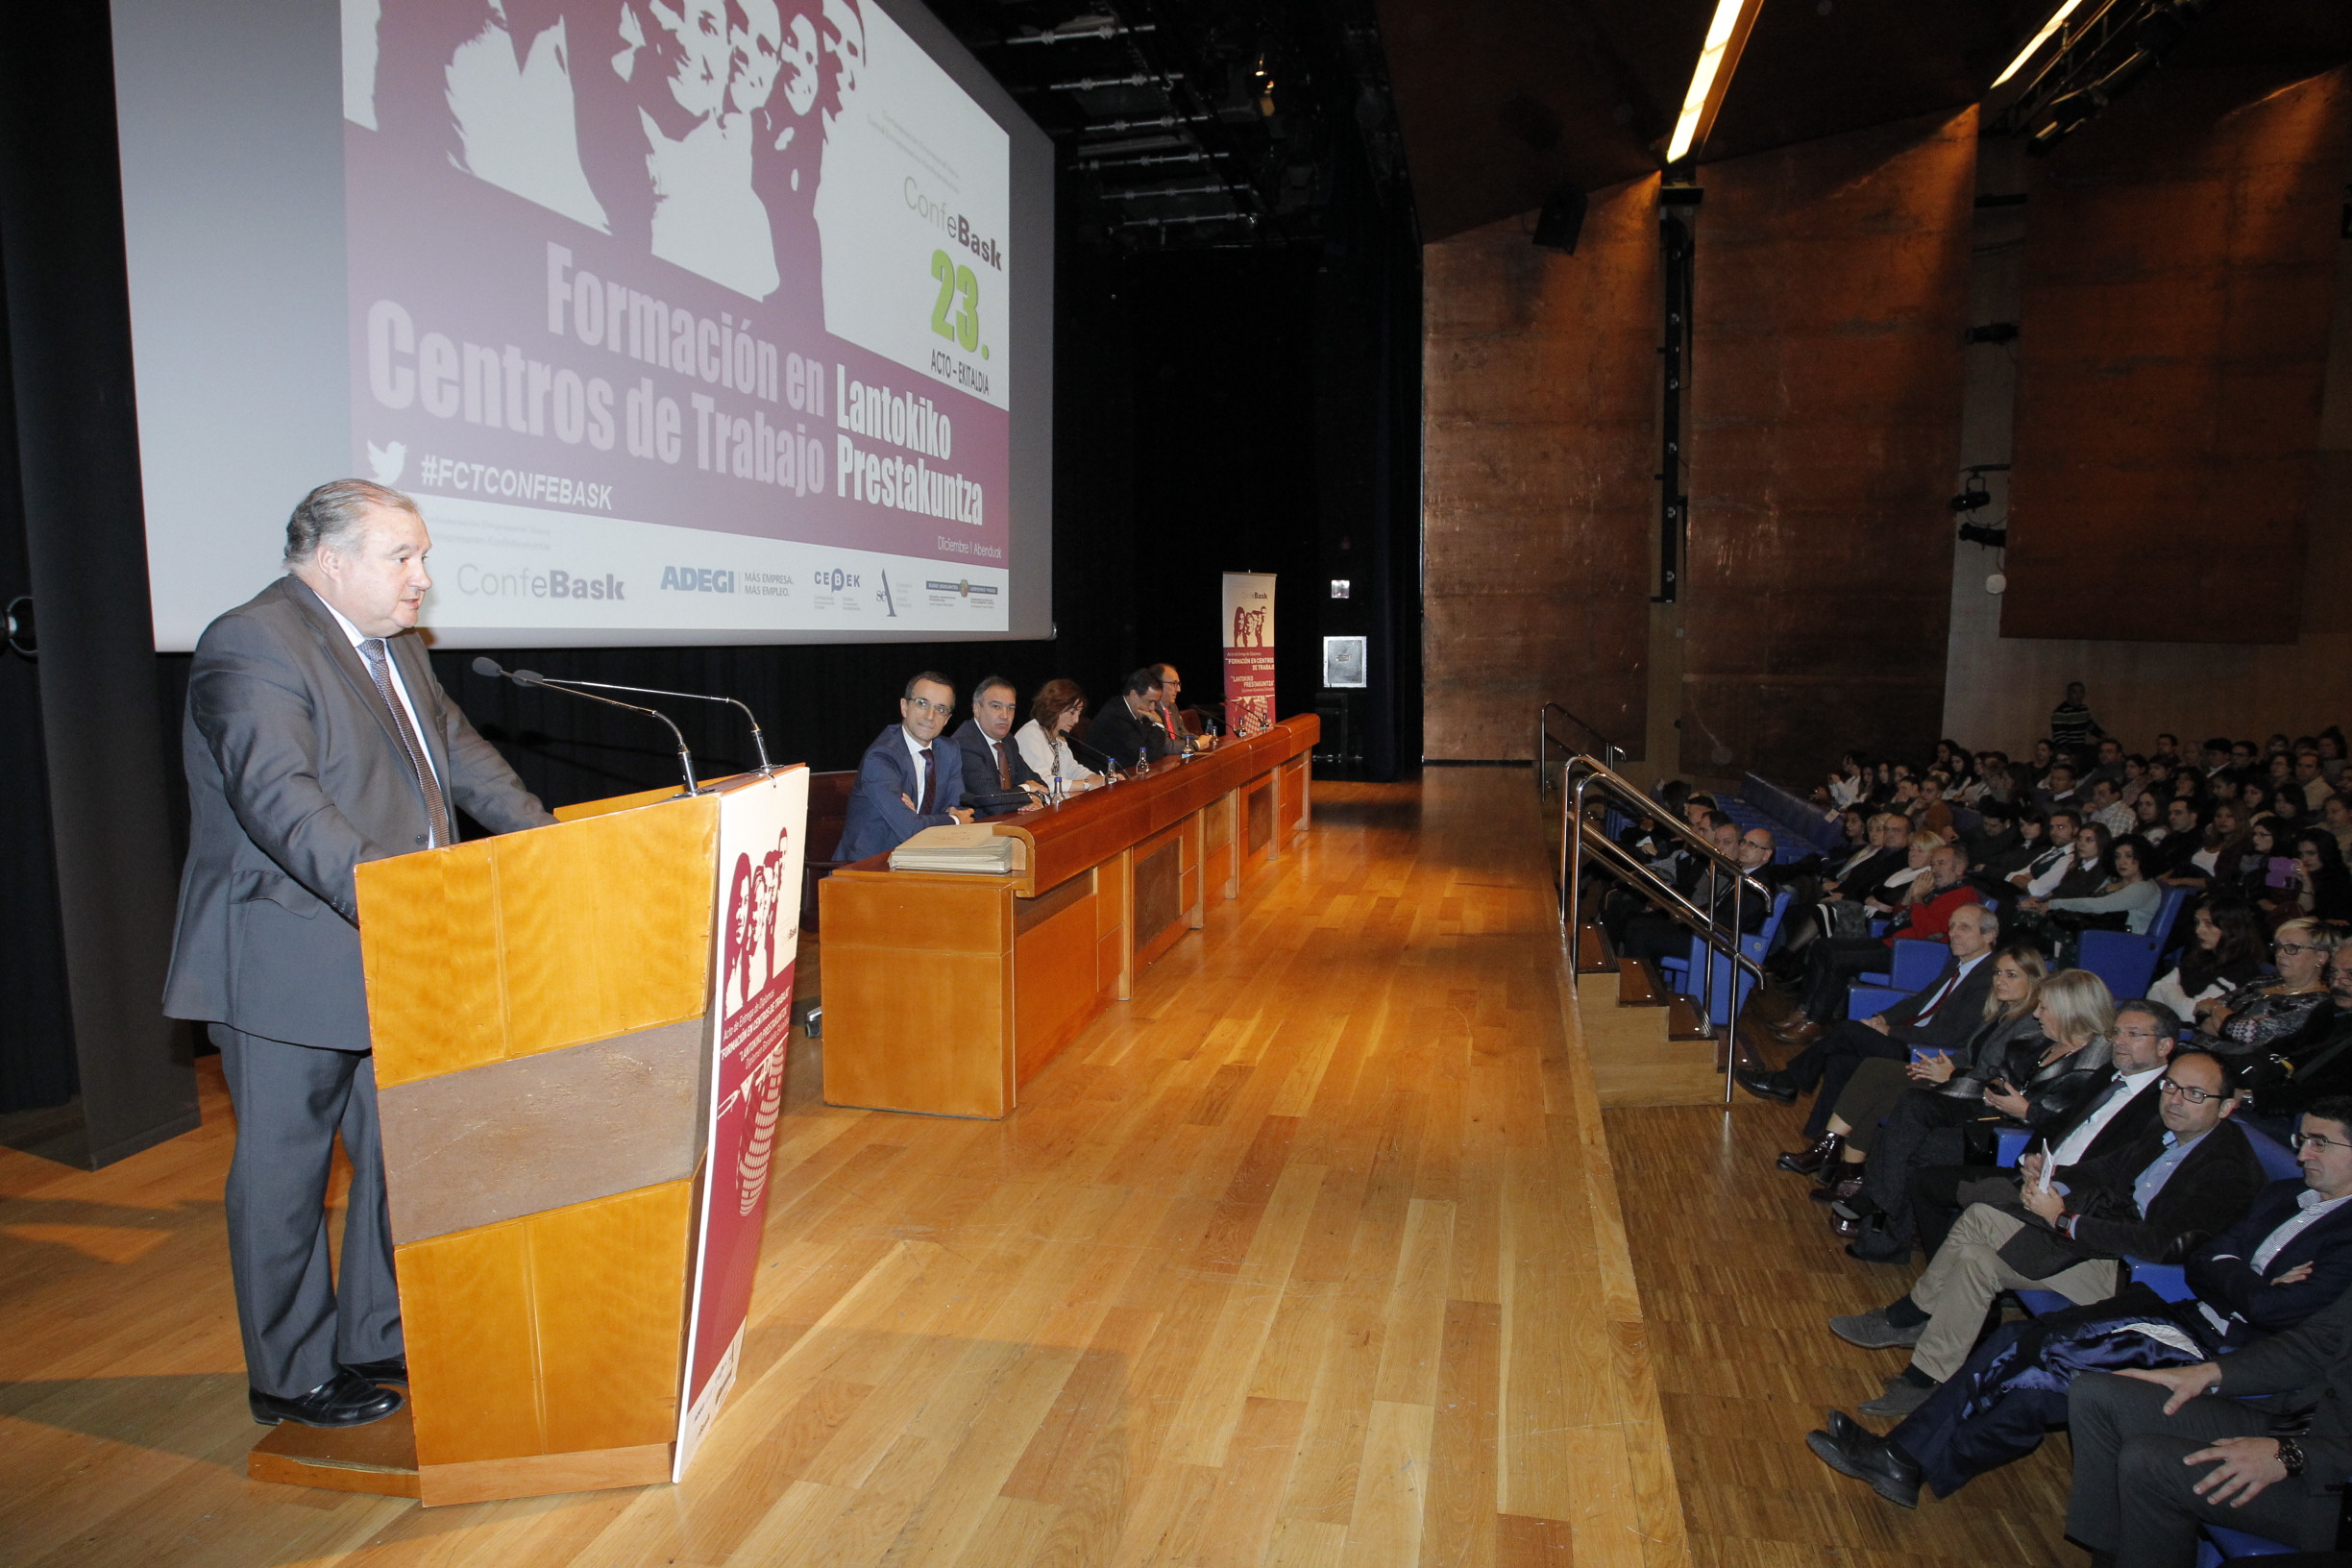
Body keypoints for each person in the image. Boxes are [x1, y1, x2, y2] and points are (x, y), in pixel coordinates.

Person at [163, 479, 557, 1430]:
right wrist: (398, 901)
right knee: (284, 1179)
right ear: (331, 560)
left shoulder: (396, 651)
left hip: (397, 950)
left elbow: (470, 765)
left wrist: (552, 855)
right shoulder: (251, 641)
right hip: (289, 958)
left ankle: (374, 1333)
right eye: (403, 557)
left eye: (423, 557)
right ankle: (290, 1375)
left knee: (398, 1157)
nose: (423, 578)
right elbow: (281, 799)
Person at [1807, 1097, 2352, 1510]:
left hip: (2224, 1355)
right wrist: (2247, 1276)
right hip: (2181, 1311)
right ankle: (1901, 1452)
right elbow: (2211, 1258)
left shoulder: (2338, 1228)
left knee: (2045, 1377)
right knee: (2018, 1339)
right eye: (2303, 1140)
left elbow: (2270, 1310)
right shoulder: (2286, 1198)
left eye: (2321, 1144)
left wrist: (2234, 1275)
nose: (2303, 1153)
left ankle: (1912, 1463)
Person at [1827, 1048, 2261, 1418]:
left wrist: (2065, 1220)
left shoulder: (2227, 1168)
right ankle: (1925, 1374)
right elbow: (2108, 1170)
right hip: (2098, 1244)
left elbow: (2164, 1245)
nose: (2176, 1101)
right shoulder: (2167, 1132)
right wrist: (2054, 1174)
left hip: (2131, 1277)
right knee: (1976, 1256)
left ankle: (1909, 1318)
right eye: (2171, 1087)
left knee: (1980, 1218)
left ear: (2227, 1107)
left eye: (2195, 1094)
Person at [2063, 1258, 2352, 1563]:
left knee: (2148, 1463)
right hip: (2301, 1421)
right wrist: (2209, 1373)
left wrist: (2295, 1455)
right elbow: (2314, 1344)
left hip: (2333, 1485)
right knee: (2097, 1395)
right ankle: (2112, 1557)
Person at [1832, 969, 2125, 1260]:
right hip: (1986, 1114)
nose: (2036, 1014)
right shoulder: (2038, 1041)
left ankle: (1879, 1219)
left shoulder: (2093, 1064)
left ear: (2070, 1012)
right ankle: (1878, 1209)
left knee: (1905, 1141)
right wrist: (1985, 1088)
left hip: (2012, 1139)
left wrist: (2024, 1109)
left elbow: (2069, 1123)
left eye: (2044, 1008)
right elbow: (1995, 1079)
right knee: (1912, 1103)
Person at [1778, 943, 2045, 1205]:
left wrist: (1953, 1073)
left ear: (2033, 979)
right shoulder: (2001, 1012)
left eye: (2011, 975)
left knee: (1881, 1080)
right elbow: (1966, 1050)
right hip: (1954, 1076)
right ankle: (1846, 1172)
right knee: (1872, 1070)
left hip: (1971, 1097)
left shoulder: (2029, 1024)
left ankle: (1830, 1153)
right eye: (1997, 973)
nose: (2000, 981)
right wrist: (1945, 1064)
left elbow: (1999, 1077)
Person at [1738, 903, 2002, 1138]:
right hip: (1911, 1037)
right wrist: (1882, 1018)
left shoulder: (1987, 979)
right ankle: (1822, 1140)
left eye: (1964, 928)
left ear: (1989, 936)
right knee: (1840, 1060)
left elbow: (1949, 1035)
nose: (1953, 932)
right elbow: (1920, 1000)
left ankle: (1788, 1081)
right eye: (1952, 925)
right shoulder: (1960, 963)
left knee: (1847, 1030)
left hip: (1925, 1052)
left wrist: (1890, 1032)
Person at [835, 672, 974, 860]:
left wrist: (918, 817)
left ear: (947, 720)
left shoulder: (949, 750)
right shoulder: (881, 757)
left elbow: (960, 807)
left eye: (940, 709)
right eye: (922, 704)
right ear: (904, 707)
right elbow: (910, 829)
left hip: (922, 860)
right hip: (870, 868)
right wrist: (954, 820)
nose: (930, 716)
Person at [2196, 916, 2340, 1057]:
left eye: (2292, 948)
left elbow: (2250, 1035)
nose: (2280, 954)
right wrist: (2229, 1024)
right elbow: (2200, 1011)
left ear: (2321, 957)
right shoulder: (2267, 980)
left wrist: (2215, 1008)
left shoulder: (2315, 1003)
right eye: (2278, 947)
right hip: (2198, 1050)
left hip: (2233, 1068)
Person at [2148, 897, 2267, 1019]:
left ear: (2232, 928)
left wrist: (2169, 989)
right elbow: (2153, 994)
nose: (2198, 930)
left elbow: (2191, 1013)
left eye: (2209, 924)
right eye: (2197, 922)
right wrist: (2179, 999)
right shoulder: (2199, 957)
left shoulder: (2241, 969)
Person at [950, 675, 1045, 818]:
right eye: (996, 706)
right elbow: (994, 802)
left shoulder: (1008, 741)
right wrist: (1027, 790)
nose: (1005, 715)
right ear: (976, 709)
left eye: (1011, 708)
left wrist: (1035, 800)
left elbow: (1040, 785)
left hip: (1010, 822)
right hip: (977, 830)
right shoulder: (964, 743)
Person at [1015, 678, 1103, 794]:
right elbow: (1042, 782)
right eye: (1072, 712)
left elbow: (1072, 770)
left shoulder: (1059, 737)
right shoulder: (1030, 734)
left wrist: (1100, 779)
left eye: (1079, 714)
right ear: (1054, 708)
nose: (1076, 720)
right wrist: (1087, 784)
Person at [1087, 667, 1175, 772]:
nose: (1152, 708)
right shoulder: (1117, 717)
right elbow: (1148, 757)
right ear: (1133, 695)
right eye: (1150, 702)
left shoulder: (1136, 712)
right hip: (1102, 779)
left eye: (1155, 703)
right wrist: (1158, 723)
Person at [2051, 682, 2106, 749]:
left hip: (2080, 747)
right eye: (2075, 693)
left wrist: (2103, 735)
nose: (2078, 696)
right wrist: (2071, 753)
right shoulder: (2061, 712)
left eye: (2081, 692)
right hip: (2066, 751)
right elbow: (2060, 738)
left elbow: (2090, 726)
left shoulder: (2084, 710)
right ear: (2068, 694)